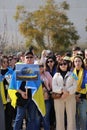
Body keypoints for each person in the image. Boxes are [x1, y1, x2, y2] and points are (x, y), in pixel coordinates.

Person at [9, 51, 45, 130]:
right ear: (24, 59)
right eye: (27, 57)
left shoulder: (36, 71)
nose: (29, 59)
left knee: (32, 119)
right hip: (22, 98)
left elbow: (38, 86)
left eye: (31, 57)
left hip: (32, 98)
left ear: (33, 58)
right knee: (19, 119)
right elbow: (13, 86)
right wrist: (22, 92)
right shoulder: (17, 70)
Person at [52, 59, 77, 130]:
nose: (63, 65)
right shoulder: (56, 75)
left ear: (67, 65)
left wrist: (67, 92)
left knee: (71, 117)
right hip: (59, 98)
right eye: (61, 64)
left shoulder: (73, 74)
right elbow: (54, 86)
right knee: (59, 117)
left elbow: (75, 86)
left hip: (70, 97)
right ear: (59, 66)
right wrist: (62, 90)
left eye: (65, 64)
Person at [73, 55, 87, 130]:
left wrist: (79, 95)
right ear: (73, 63)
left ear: (82, 62)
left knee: (83, 116)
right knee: (74, 116)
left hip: (83, 97)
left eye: (79, 61)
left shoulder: (85, 73)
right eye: (76, 61)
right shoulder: (71, 72)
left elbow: (86, 85)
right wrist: (75, 95)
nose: (77, 63)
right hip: (72, 98)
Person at [38, 62, 52, 130]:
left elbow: (52, 85)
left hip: (46, 99)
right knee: (37, 118)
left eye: (41, 66)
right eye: (38, 66)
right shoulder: (33, 75)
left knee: (45, 117)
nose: (40, 67)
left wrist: (48, 90)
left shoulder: (47, 74)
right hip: (37, 100)